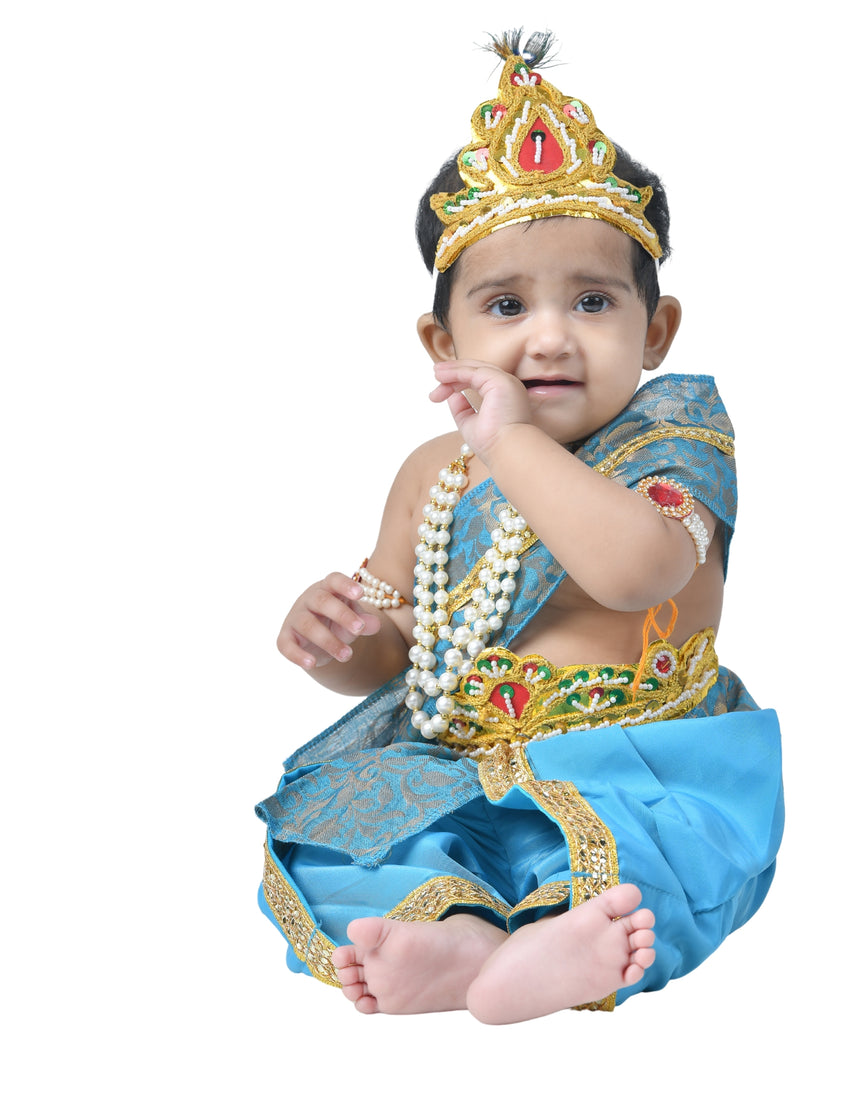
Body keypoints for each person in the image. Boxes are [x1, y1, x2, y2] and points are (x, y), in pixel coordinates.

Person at [256, 30, 783, 1024]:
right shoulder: (433, 473)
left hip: (640, 760)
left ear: (654, 330)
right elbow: (401, 647)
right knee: (358, 838)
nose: (549, 336)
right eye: (506, 305)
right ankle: (460, 939)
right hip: (456, 761)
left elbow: (637, 571)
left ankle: (561, 938)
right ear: (443, 342)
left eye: (591, 300)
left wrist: (511, 443)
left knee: (646, 857)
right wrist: (340, 639)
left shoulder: (673, 443)